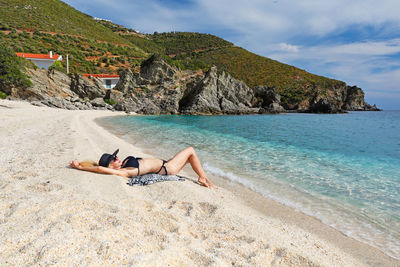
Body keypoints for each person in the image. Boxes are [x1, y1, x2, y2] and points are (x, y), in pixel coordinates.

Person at [69, 146, 215, 188]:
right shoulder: (125, 172)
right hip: (167, 169)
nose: (117, 158)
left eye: (116, 156)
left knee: (191, 157)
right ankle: (203, 178)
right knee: (191, 151)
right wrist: (80, 169)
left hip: (165, 163)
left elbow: (98, 164)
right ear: (111, 166)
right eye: (113, 159)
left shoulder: (121, 166)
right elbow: (100, 168)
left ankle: (204, 178)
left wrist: (82, 163)